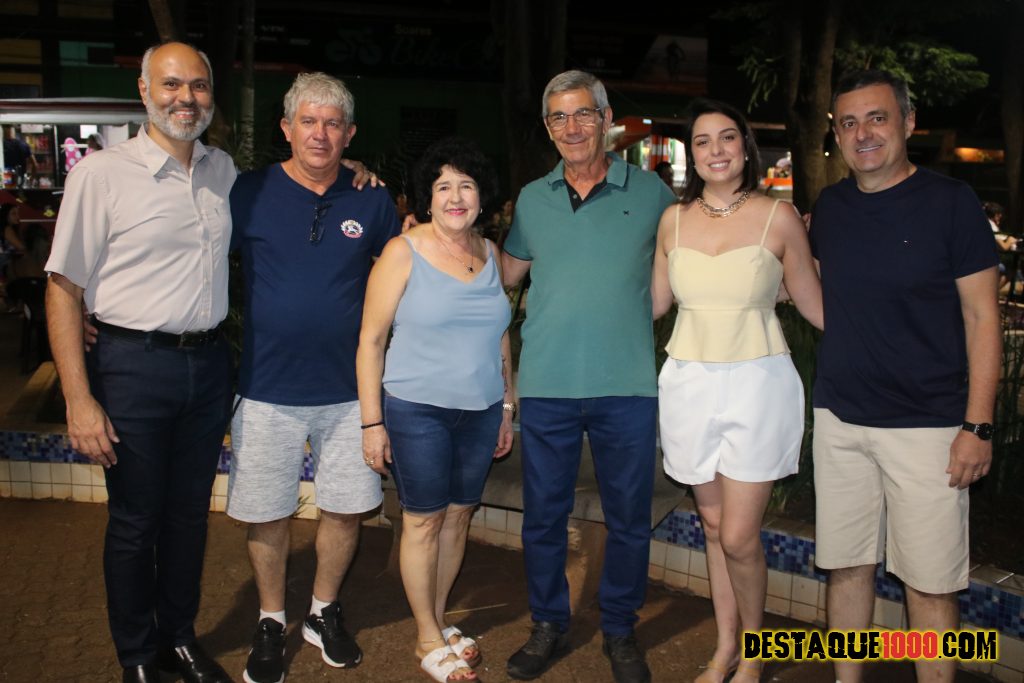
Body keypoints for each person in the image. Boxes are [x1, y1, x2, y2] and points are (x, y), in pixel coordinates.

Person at [45, 42, 235, 683]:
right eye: (172, 84)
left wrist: (350, 169)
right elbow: (63, 288)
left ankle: (178, 639)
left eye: (199, 85)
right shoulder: (101, 174)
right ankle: (137, 656)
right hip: (132, 366)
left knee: (188, 518)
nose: (187, 98)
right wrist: (78, 398)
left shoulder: (223, 171)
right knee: (135, 520)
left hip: (207, 366)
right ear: (145, 91)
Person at [810, 69, 1000, 683]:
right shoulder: (831, 208)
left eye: (877, 117)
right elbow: (811, 290)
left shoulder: (952, 202)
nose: (863, 133)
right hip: (840, 419)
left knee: (930, 582)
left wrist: (978, 425)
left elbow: (983, 318)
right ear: (837, 133)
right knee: (846, 567)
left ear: (908, 122)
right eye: (849, 122)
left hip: (929, 427)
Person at [501, 69, 676, 683]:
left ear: (605, 120)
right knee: (542, 519)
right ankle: (548, 623)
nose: (571, 127)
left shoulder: (653, 194)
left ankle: (620, 629)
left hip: (626, 386)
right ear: (547, 127)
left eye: (582, 114)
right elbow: (503, 275)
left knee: (628, 519)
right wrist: (433, 233)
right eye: (558, 117)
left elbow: (695, 255)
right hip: (547, 384)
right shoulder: (532, 198)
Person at [225, 72, 399, 683]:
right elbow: (194, 257)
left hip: (351, 393)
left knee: (346, 509)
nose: (319, 134)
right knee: (267, 512)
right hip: (266, 387)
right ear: (286, 128)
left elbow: (405, 273)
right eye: (308, 121)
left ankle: (323, 611)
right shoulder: (247, 193)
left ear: (349, 134)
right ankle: (271, 618)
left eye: (332, 123)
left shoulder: (372, 200)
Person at [650, 99, 822, 683]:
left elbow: (816, 305)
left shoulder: (780, 216)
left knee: (741, 535)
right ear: (691, 154)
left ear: (745, 147)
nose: (715, 150)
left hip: (758, 383)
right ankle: (726, 647)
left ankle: (755, 649)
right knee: (713, 527)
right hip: (688, 383)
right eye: (702, 141)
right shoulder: (672, 221)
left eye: (727, 137)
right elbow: (653, 304)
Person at [357, 136, 515, 683]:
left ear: (481, 197)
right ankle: (426, 635)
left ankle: (440, 619)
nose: (455, 197)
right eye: (443, 186)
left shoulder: (490, 253)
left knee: (459, 516)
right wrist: (372, 422)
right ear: (428, 197)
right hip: (416, 409)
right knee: (423, 521)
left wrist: (507, 406)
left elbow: (500, 336)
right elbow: (370, 341)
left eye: (466, 186)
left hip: (481, 411)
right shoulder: (402, 252)